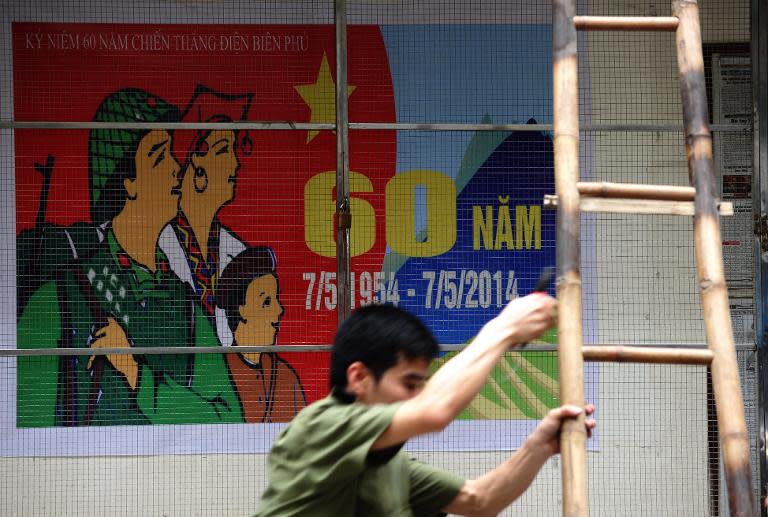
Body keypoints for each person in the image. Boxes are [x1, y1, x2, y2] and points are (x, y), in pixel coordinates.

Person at [16, 88, 242, 426]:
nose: (176, 169)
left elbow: (229, 420)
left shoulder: (185, 306)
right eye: (159, 156)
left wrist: (137, 375)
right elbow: (29, 430)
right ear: (127, 183)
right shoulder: (60, 299)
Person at [257, 294, 595, 516]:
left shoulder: (391, 464)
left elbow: (481, 499)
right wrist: (503, 329)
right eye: (409, 384)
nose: (418, 396)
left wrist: (539, 445)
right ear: (359, 378)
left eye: (421, 385)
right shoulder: (320, 426)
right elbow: (436, 411)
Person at [158, 84, 253, 319]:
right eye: (223, 151)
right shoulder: (157, 246)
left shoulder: (238, 252)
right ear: (196, 163)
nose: (235, 163)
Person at [217, 246, 306, 423]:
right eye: (266, 302)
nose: (279, 309)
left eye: (277, 298)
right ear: (241, 310)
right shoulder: (221, 375)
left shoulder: (286, 377)